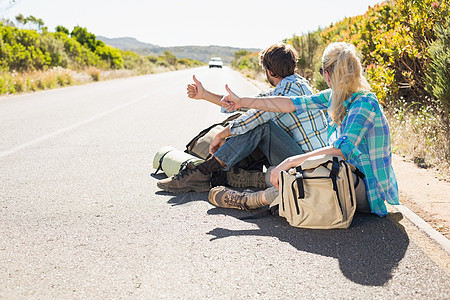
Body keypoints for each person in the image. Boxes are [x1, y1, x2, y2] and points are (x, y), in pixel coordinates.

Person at [210, 42, 399, 217]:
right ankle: (255, 186)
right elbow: (289, 104)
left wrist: (291, 161)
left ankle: (251, 200)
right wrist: (242, 101)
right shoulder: (337, 96)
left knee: (310, 174)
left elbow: (342, 150)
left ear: (327, 74)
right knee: (302, 170)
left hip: (365, 189)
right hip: (346, 175)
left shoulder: (364, 103)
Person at [157, 43, 328, 195]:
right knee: (254, 122)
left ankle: (203, 171)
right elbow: (249, 105)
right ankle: (220, 172)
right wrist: (204, 95)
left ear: (269, 71)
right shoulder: (299, 84)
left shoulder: (285, 91)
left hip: (306, 165)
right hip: (316, 161)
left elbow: (255, 117)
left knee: (262, 127)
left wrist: (221, 134)